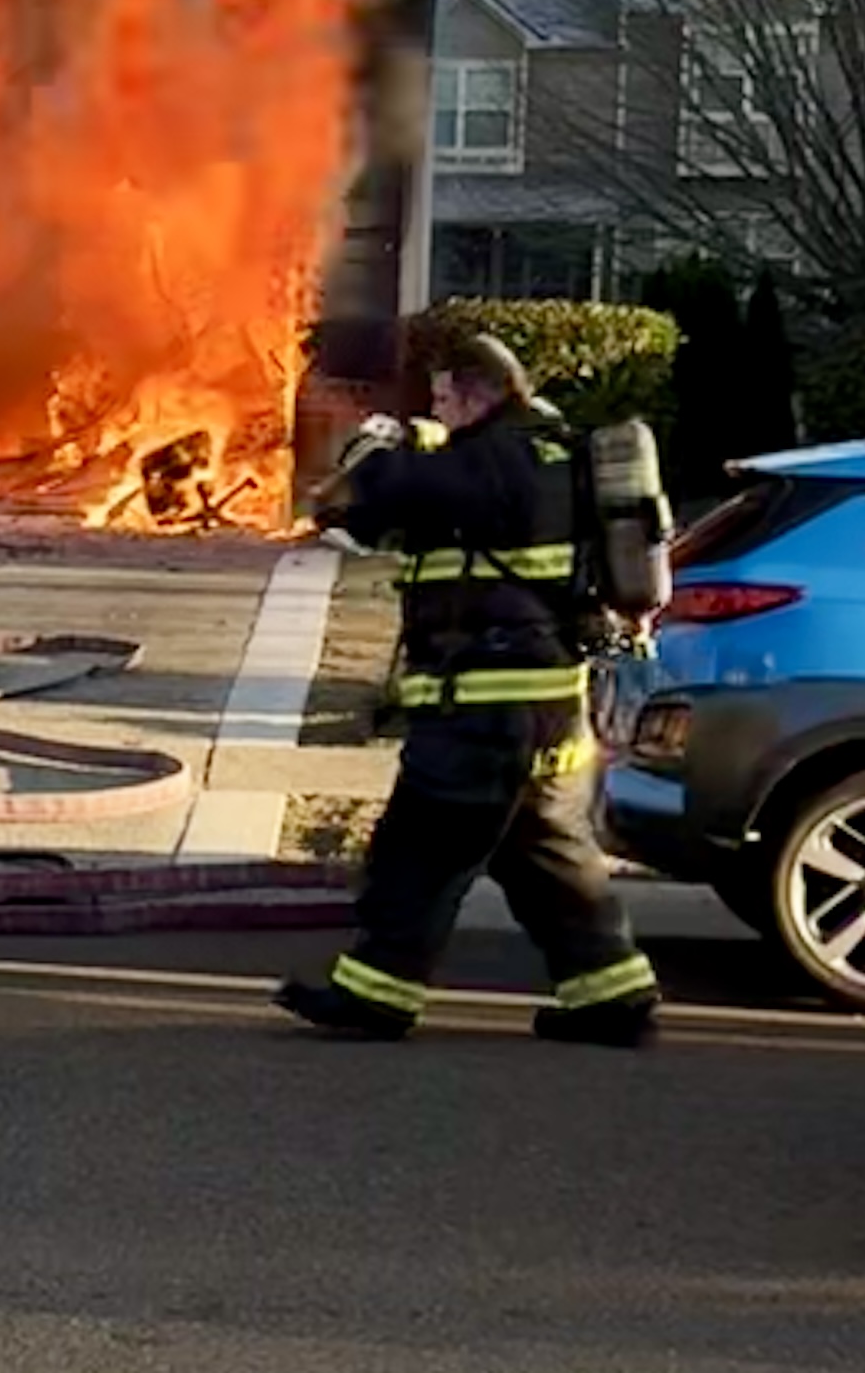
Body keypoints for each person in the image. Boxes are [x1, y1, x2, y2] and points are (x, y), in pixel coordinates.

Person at [276, 332, 660, 1047]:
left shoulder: (491, 460)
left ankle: (377, 995)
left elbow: (379, 496)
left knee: (416, 851)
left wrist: (378, 448)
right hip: (547, 711)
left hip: (483, 709)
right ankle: (614, 994)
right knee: (547, 854)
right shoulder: (550, 456)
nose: (438, 410)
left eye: (444, 398)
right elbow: (393, 519)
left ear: (477, 395)